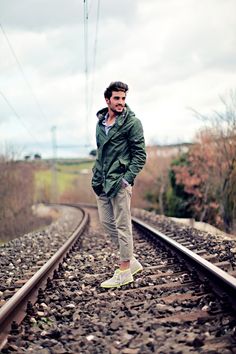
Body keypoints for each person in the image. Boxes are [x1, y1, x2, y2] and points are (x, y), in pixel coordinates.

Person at [92, 81, 146, 288]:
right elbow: (101, 153)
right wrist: (95, 178)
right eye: (117, 98)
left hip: (120, 182)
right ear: (108, 100)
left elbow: (140, 156)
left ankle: (124, 271)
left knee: (123, 226)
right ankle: (131, 261)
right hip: (102, 182)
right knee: (107, 223)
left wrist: (127, 179)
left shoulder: (132, 123)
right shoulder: (100, 123)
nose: (121, 102)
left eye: (123, 98)